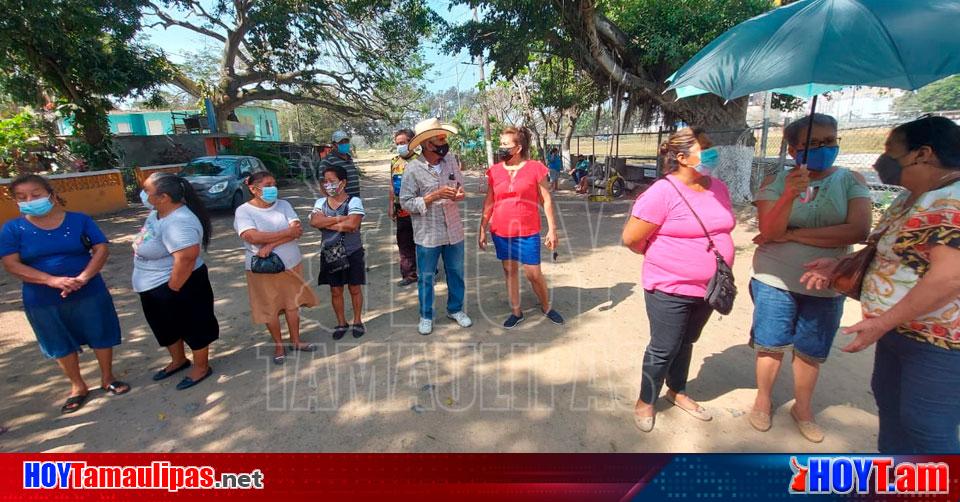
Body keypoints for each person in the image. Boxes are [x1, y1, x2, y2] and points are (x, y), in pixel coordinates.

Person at [801, 116, 960, 453]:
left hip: (939, 342)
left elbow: (949, 277)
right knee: (892, 409)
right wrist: (839, 266)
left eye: (891, 152)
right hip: (899, 331)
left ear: (923, 154)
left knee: (928, 426)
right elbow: (893, 256)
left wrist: (882, 322)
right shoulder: (913, 197)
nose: (881, 161)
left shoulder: (953, 200)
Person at [748, 113, 872, 443]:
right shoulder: (775, 182)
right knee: (770, 343)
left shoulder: (851, 180)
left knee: (811, 349)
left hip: (827, 285)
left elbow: (859, 230)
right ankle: (763, 399)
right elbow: (769, 231)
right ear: (793, 150)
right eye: (813, 143)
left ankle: (802, 407)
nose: (824, 148)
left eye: (829, 141)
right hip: (775, 278)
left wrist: (794, 234)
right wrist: (788, 196)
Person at [621, 128, 735, 432]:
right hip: (669, 287)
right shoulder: (662, 192)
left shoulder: (719, 188)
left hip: (710, 287)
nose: (712, 154)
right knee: (664, 347)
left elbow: (722, 227)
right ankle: (646, 400)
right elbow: (631, 239)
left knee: (687, 341)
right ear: (682, 157)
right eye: (705, 149)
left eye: (712, 148)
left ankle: (677, 390)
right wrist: (670, 259)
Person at [0, 175, 128, 414]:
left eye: (35, 194)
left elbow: (100, 249)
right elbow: (11, 265)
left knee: (100, 331)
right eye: (22, 197)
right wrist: (52, 280)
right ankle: (77, 386)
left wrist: (84, 277)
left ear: (50, 193)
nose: (30, 200)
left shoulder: (79, 220)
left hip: (88, 289)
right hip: (42, 297)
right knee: (58, 340)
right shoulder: (12, 229)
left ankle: (108, 377)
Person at [134, 172, 219, 390]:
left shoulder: (180, 221)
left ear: (163, 197)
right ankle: (179, 360)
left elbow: (187, 258)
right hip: (152, 283)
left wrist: (172, 288)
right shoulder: (157, 214)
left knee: (193, 326)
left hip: (179, 283)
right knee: (165, 326)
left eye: (147, 191)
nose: (143, 195)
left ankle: (201, 367)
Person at [479, 127, 564, 328]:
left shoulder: (536, 168)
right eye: (501, 144)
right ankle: (516, 312)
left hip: (527, 231)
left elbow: (546, 199)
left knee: (533, 274)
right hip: (501, 230)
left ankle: (546, 306)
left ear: (518, 148)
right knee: (509, 271)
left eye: (506, 145)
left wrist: (552, 229)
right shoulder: (495, 171)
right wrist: (482, 227)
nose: (502, 148)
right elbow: (489, 201)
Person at [234, 171, 319, 364]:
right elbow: (251, 237)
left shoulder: (284, 205)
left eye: (274, 183)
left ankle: (296, 340)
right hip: (263, 269)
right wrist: (285, 233)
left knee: (292, 305)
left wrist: (271, 244)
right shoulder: (244, 211)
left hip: (291, 264)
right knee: (269, 308)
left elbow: (297, 230)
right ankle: (279, 345)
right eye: (267, 184)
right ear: (253, 189)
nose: (272, 188)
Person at [399, 117, 473, 336]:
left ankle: (455, 309)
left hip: (453, 230)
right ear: (426, 144)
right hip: (428, 234)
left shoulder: (450, 160)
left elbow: (460, 185)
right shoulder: (413, 169)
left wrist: (459, 193)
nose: (443, 142)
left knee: (456, 272)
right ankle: (426, 315)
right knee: (426, 277)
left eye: (443, 137)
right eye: (438, 139)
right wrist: (432, 197)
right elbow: (405, 202)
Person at [310, 165, 367, 340]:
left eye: (332, 181)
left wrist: (326, 222)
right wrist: (340, 219)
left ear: (343, 183)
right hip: (330, 253)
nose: (328, 185)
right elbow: (314, 222)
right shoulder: (320, 202)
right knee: (335, 290)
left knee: (354, 288)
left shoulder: (354, 201)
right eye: (325, 182)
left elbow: (352, 225)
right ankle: (341, 322)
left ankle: (357, 321)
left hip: (352, 252)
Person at [390, 128, 419, 286]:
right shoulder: (394, 161)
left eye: (404, 142)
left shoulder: (420, 161)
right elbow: (391, 184)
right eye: (398, 143)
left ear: (412, 143)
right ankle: (409, 274)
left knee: (422, 241)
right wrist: (390, 206)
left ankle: (429, 271)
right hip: (400, 209)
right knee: (404, 241)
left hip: (417, 208)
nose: (400, 146)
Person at [317, 130, 360, 198]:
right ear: (334, 145)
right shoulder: (327, 161)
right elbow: (323, 185)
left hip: (355, 200)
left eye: (346, 141)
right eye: (341, 142)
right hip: (339, 203)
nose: (344, 144)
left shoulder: (349, 158)